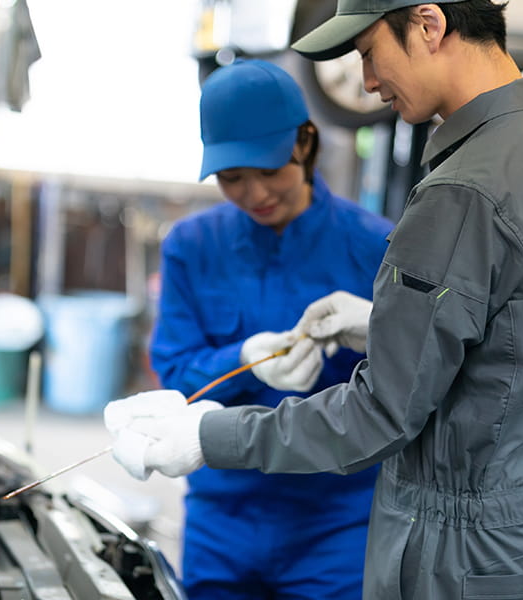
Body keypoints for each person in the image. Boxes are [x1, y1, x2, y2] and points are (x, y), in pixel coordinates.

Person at [104, 2, 523, 599]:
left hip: (440, 547)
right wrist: (380, 326)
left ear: (428, 23)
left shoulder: (459, 190)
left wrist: (207, 436)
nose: (365, 81)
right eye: (232, 177)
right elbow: (508, 341)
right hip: (514, 539)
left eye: (368, 53)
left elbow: (382, 412)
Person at [109, 58, 394, 599]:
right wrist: (241, 356)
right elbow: (175, 375)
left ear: (305, 145)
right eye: (232, 178)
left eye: (269, 170)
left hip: (337, 520)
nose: (256, 194)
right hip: (223, 517)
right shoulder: (192, 247)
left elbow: (403, 388)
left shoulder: (375, 247)